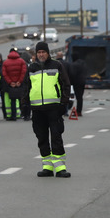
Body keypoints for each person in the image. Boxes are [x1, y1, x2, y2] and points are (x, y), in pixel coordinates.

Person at [28, 41, 72, 178]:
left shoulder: (57, 65)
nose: (41, 55)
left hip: (54, 108)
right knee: (41, 137)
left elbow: (65, 83)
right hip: (37, 109)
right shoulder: (32, 68)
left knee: (56, 136)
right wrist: (25, 102)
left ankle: (60, 168)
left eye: (43, 52)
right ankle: (47, 167)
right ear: (36, 54)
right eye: (39, 52)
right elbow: (26, 86)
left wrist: (63, 102)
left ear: (48, 53)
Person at [0, 49, 28, 121]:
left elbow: (4, 74)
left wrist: (10, 82)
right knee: (21, 99)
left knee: (12, 100)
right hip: (19, 84)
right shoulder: (21, 61)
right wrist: (19, 81)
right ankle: (23, 115)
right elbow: (23, 72)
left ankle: (13, 116)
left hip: (11, 85)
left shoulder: (6, 62)